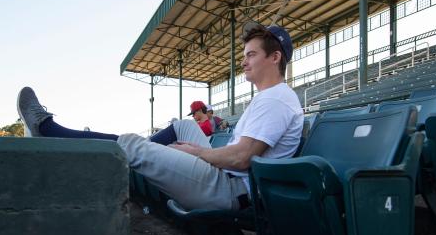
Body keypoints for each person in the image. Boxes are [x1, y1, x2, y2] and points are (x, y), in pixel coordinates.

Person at [16, 22, 304, 211]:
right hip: (227, 175)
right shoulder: (270, 96)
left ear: (275, 57)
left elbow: (242, 159)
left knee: (131, 143)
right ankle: (138, 159)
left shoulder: (278, 98)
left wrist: (198, 153)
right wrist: (198, 151)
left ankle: (49, 130)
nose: (243, 61)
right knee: (183, 125)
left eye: (251, 54)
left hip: (232, 190)